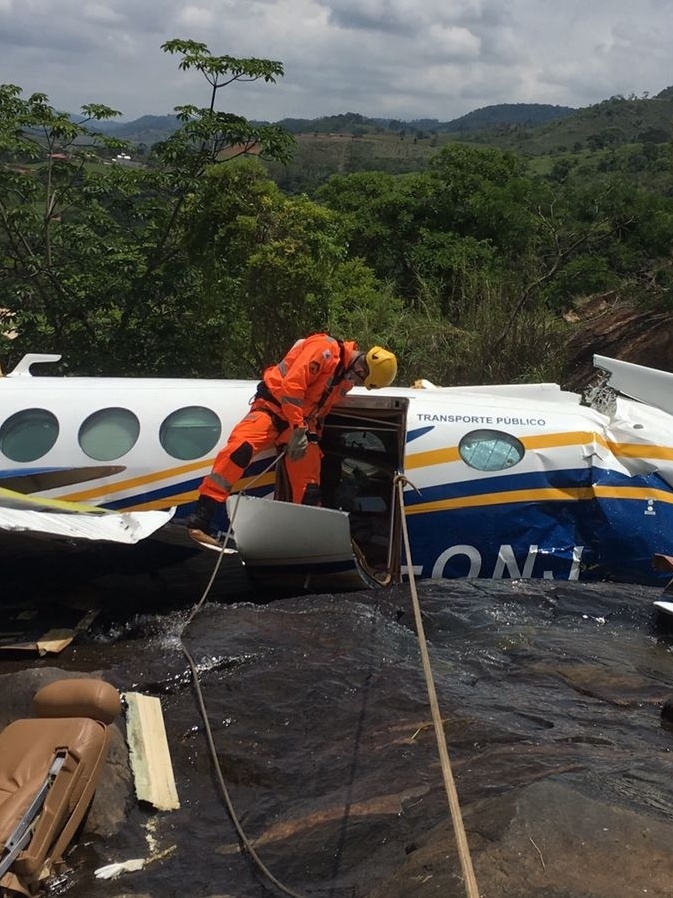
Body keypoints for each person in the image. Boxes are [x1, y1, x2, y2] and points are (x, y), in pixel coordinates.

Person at [186, 333, 397, 535]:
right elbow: (291, 388)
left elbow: (321, 409)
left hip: (301, 425)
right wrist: (298, 428)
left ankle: (302, 534)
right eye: (361, 374)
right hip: (272, 410)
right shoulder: (324, 349)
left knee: (310, 485)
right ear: (362, 361)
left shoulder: (345, 380)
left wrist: (310, 434)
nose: (357, 380)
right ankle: (203, 514)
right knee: (239, 450)